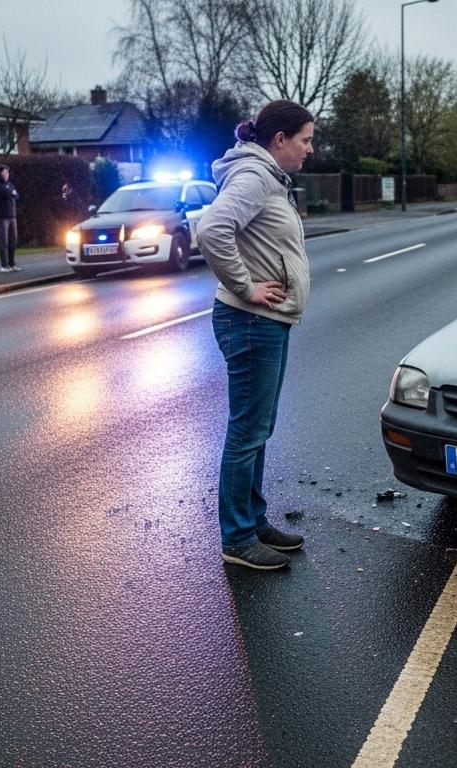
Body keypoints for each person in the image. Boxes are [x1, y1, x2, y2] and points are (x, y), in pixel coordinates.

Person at [198, 99, 315, 570]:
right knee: (247, 431)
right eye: (305, 139)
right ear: (280, 139)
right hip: (250, 320)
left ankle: (253, 521)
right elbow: (212, 230)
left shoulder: (269, 177)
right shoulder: (254, 176)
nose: (310, 149)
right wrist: (245, 287)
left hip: (266, 321)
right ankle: (238, 538)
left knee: (258, 428)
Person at [0, 165, 19, 273]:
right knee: (4, 241)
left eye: (7, 173)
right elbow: (6, 192)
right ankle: (4, 265)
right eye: (4, 172)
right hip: (2, 216)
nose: (6, 175)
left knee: (13, 240)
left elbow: (16, 195)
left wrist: (10, 192)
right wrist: (10, 192)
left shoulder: (9, 184)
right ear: (0, 173)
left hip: (12, 215)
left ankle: (12, 263)